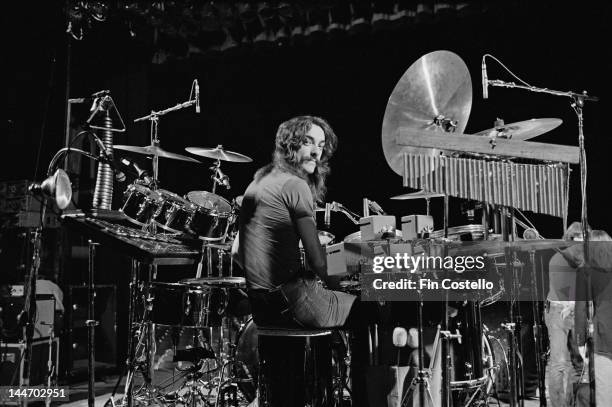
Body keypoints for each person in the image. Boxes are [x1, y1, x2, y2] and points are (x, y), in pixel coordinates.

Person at [235, 115, 357, 328]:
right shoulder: (296, 185)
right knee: (372, 306)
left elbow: (236, 251)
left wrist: (269, 286)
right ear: (288, 145)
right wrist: (338, 284)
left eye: (320, 145)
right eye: (307, 141)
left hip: (263, 308)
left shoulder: (256, 184)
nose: (315, 152)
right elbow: (316, 259)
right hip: (298, 302)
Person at [545, 221, 586, 406]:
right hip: (558, 312)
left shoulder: (584, 258)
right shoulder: (558, 259)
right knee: (559, 364)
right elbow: (562, 290)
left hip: (575, 311)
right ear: (570, 239)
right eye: (579, 239)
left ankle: (573, 403)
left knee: (577, 363)